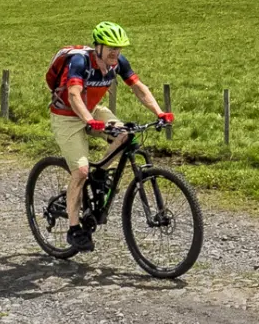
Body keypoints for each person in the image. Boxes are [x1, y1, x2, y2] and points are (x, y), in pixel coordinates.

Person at [49, 20, 173, 252]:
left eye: (119, 48)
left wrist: (159, 112)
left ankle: (101, 172)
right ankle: (74, 229)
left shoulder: (117, 63)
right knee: (80, 171)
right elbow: (74, 95)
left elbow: (138, 87)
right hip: (66, 116)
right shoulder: (79, 62)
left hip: (93, 110)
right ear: (98, 47)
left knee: (124, 135)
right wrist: (88, 121)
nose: (115, 52)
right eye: (110, 47)